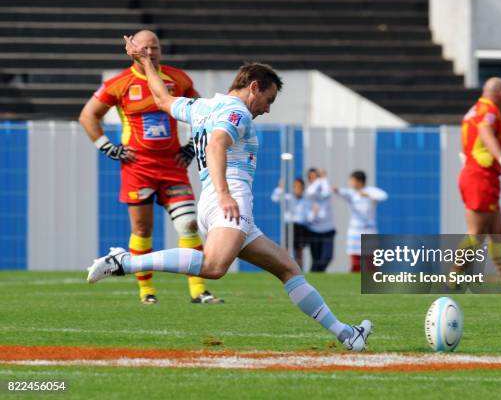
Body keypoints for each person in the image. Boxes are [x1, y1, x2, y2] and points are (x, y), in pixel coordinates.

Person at [87, 35, 372, 351]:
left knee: (288, 268)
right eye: (269, 99)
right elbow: (218, 142)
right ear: (253, 87)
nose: (266, 108)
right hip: (229, 200)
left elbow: (163, 100)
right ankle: (124, 262)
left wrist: (145, 62)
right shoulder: (238, 112)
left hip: (222, 204)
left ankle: (347, 334)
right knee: (214, 267)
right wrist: (225, 194)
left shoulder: (204, 106)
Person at [79, 30, 222, 305]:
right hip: (138, 167)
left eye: (154, 47)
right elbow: (88, 115)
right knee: (143, 230)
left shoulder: (178, 79)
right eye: (145, 47)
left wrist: (192, 145)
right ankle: (146, 292)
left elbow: (204, 111)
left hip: (172, 165)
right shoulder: (119, 83)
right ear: (132, 50)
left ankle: (198, 290)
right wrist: (108, 148)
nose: (150, 52)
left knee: (189, 225)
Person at [456, 77, 501, 290]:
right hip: (480, 175)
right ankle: (453, 276)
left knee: (497, 230)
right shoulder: (489, 110)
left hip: (482, 174)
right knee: (476, 233)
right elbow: (485, 133)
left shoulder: (475, 109)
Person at [334, 171, 388, 272]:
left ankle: (372, 280)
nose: (351, 183)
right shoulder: (352, 193)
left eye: (353, 181)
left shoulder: (370, 190)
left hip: (369, 230)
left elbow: (384, 196)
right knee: (355, 259)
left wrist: (367, 194)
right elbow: (341, 192)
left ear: (359, 181)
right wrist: (335, 189)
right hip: (355, 230)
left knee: (371, 258)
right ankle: (354, 280)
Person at [271, 178, 312, 268]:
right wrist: (280, 188)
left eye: (300, 187)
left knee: (299, 250)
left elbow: (309, 216)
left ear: (303, 188)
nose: (298, 189)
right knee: (286, 249)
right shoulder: (288, 197)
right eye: (295, 187)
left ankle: (299, 270)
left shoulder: (306, 200)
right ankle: (286, 268)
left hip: (300, 227)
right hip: (289, 226)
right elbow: (275, 198)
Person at [304, 168, 336, 272]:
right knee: (316, 258)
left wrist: (323, 178)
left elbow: (327, 192)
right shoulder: (309, 192)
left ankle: (318, 273)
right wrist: (314, 212)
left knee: (327, 257)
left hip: (328, 230)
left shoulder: (324, 190)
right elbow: (311, 191)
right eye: (312, 177)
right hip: (314, 230)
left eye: (316, 177)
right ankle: (315, 276)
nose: (315, 180)